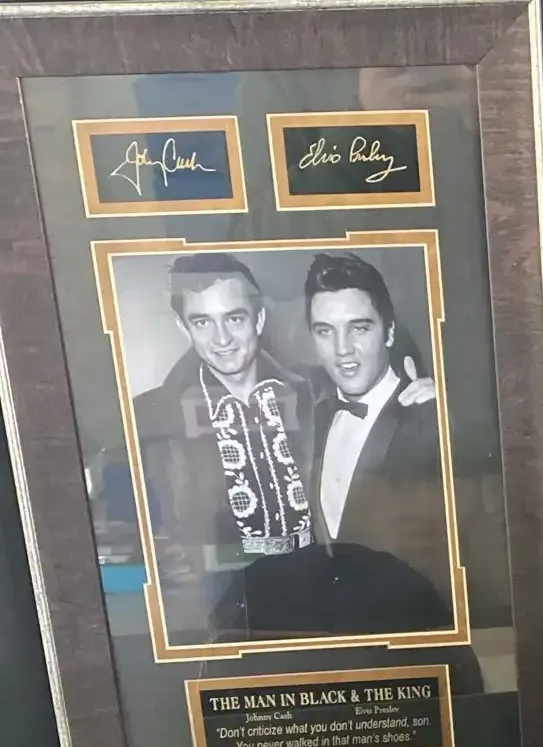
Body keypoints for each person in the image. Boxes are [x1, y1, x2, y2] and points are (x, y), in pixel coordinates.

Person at [133, 253, 314, 638]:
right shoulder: (153, 415)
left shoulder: (314, 393)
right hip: (215, 598)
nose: (222, 339)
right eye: (203, 322)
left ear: (258, 320)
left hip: (316, 582)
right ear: (184, 328)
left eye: (234, 318)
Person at [304, 252, 455, 616]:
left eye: (359, 328)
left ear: (389, 332)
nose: (342, 349)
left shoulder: (435, 418)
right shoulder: (310, 416)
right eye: (325, 331)